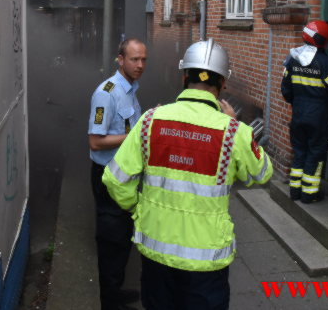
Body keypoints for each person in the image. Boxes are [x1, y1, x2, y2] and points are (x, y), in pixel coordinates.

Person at [102, 38, 273, 310]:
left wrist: (138, 209)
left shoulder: (150, 120)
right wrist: (240, 126)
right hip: (206, 263)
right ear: (223, 84)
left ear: (184, 77)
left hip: (156, 253)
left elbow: (114, 178)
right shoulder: (233, 131)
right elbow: (262, 172)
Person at [88, 38, 148, 310]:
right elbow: (95, 141)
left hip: (125, 176)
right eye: (134, 59)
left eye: (143, 59)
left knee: (123, 236)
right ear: (120, 59)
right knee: (112, 239)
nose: (140, 65)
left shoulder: (130, 89)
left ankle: (115, 291)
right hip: (107, 177)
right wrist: (135, 135)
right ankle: (109, 302)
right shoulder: (107, 92)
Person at [281, 20, 328, 203]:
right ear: (323, 39)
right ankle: (309, 194)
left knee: (300, 152)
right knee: (315, 154)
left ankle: (295, 191)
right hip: (318, 117)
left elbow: (286, 91)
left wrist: (299, 103)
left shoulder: (292, 60)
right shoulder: (326, 63)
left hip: (298, 115)